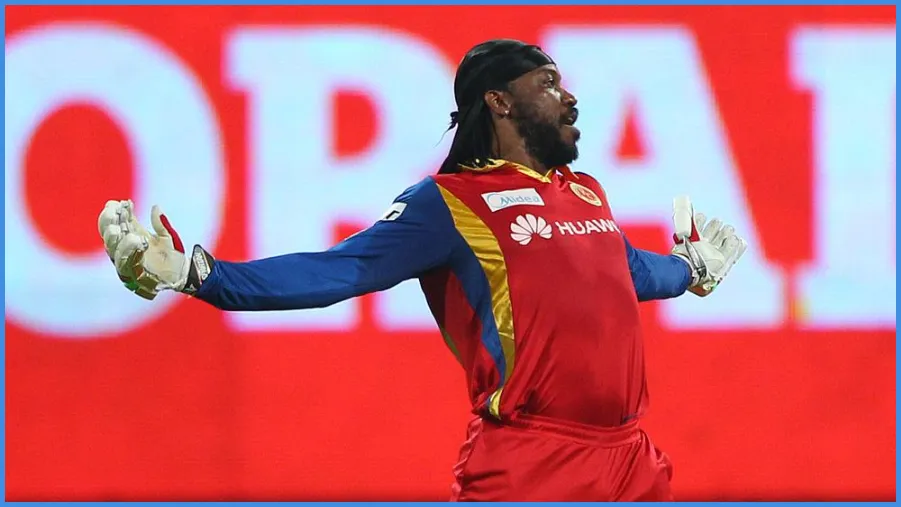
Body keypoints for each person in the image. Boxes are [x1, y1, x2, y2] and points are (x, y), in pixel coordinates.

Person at [98, 39, 747, 501]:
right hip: (533, 465)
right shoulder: (449, 203)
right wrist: (200, 274)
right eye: (548, 84)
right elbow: (337, 271)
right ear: (499, 101)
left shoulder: (583, 192)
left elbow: (627, 270)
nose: (568, 97)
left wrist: (690, 268)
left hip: (630, 462)